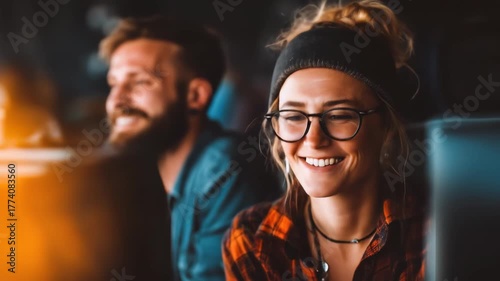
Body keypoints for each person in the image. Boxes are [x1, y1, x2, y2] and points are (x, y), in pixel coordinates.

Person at [222, 1, 426, 280]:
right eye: (293, 116)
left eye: (339, 115)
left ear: (386, 126)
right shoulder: (252, 239)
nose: (314, 139)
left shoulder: (434, 234)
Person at [99, 16, 281, 280]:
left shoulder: (223, 169)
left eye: (139, 82)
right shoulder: (138, 172)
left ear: (195, 96)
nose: (116, 100)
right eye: (113, 84)